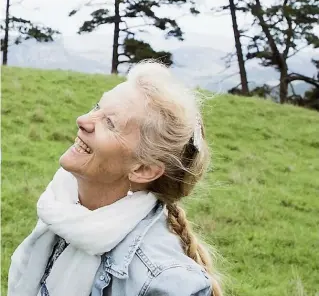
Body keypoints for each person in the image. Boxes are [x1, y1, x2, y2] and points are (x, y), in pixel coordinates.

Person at [8, 59, 223, 296]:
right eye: (97, 106)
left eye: (110, 123)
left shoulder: (164, 283)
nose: (83, 120)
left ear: (143, 170)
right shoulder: (65, 208)